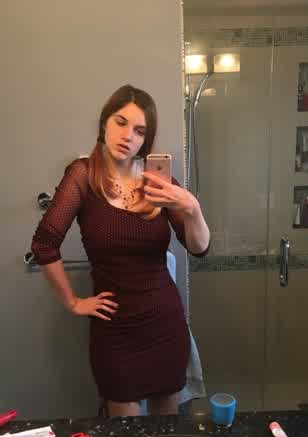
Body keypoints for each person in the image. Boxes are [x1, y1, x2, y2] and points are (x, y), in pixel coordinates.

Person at [31, 84, 210, 418]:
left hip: (164, 323)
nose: (128, 136)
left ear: (146, 140)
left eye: (140, 131)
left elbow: (199, 248)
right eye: (121, 122)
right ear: (105, 123)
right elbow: (44, 243)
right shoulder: (83, 175)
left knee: (164, 435)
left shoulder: (158, 184)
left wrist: (191, 207)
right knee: (125, 435)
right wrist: (73, 302)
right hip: (115, 333)